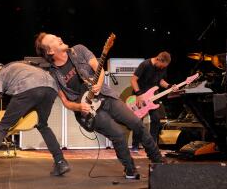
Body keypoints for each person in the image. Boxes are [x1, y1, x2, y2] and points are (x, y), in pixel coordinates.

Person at [35, 32, 164, 180]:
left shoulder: (79, 50)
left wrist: (99, 83)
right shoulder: (53, 74)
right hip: (89, 110)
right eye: (53, 39)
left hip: (106, 96)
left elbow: (99, 69)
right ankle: (130, 169)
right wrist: (79, 107)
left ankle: (158, 161)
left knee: (136, 124)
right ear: (50, 51)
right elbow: (65, 101)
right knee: (118, 135)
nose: (59, 38)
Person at [0, 61, 70, 182]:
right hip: (51, 88)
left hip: (28, 88)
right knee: (42, 125)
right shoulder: (16, 66)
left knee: (3, 126)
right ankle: (61, 162)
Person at [130, 51, 177, 152]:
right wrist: (138, 94)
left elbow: (160, 81)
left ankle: (151, 145)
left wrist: (169, 86)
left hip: (153, 96)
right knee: (138, 121)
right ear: (158, 59)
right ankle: (135, 145)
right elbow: (133, 79)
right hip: (140, 94)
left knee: (156, 119)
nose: (162, 68)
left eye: (164, 66)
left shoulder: (163, 67)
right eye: (161, 65)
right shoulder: (145, 65)